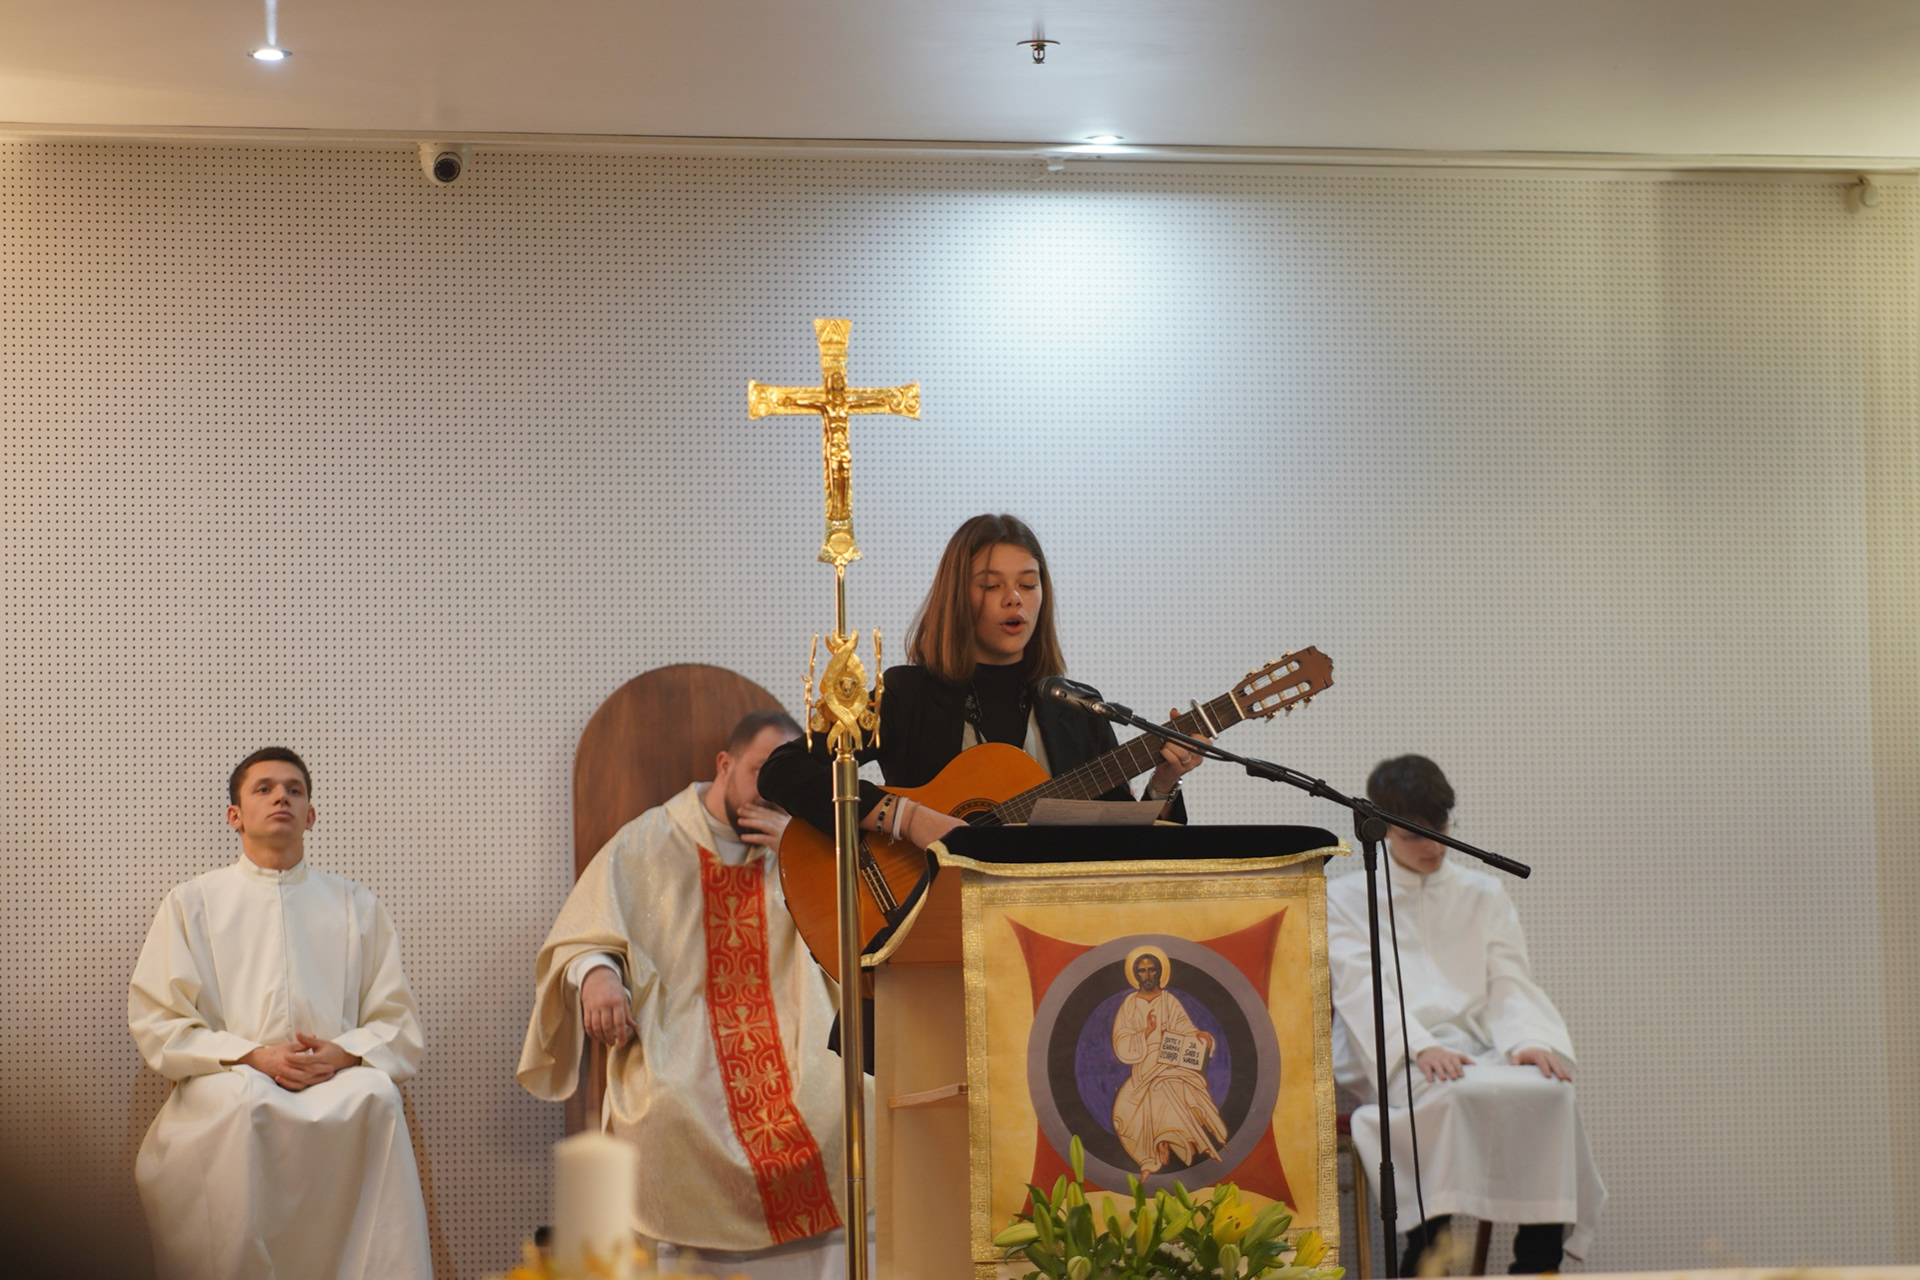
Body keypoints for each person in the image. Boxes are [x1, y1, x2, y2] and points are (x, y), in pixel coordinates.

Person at [517, 710, 864, 1280]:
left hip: (797, 1038)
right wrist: (598, 975)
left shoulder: (803, 841)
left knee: (847, 1097)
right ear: (725, 764)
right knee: (666, 1111)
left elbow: (861, 929)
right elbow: (585, 931)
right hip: (683, 1038)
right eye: (761, 772)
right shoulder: (650, 841)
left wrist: (804, 852)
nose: (772, 791)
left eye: (786, 776)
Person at [128, 747, 432, 1280]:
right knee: (242, 1106)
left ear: (311, 815)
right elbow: (161, 1021)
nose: (281, 798)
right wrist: (252, 1055)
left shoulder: (355, 905)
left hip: (334, 1078)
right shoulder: (192, 903)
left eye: (294, 790)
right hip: (231, 1077)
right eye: (264, 788)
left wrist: (343, 1053)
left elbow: (396, 1021)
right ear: (235, 815)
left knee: (377, 1095)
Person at [758, 512, 1206, 858]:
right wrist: (906, 818)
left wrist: (1164, 782)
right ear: (957, 596)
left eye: (1028, 584)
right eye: (992, 586)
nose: (1014, 598)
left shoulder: (1078, 707)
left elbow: (1125, 850)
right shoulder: (906, 695)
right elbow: (783, 769)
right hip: (931, 914)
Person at [1327, 755, 1605, 1276]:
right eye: (1414, 836)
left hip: (1481, 1049)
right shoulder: (1347, 898)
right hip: (1396, 1052)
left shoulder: (1483, 893)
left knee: (1551, 1094)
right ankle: (1427, 1252)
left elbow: (1508, 979)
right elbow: (1360, 987)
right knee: (1443, 1097)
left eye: (1441, 830)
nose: (1433, 848)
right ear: (1382, 828)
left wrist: (1527, 1040)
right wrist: (1418, 1045)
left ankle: (1537, 1262)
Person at [1110, 947, 1228, 1175]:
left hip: (1170, 1062)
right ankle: (1157, 1146)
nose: (1147, 975)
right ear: (1135, 974)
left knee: (1163, 1086)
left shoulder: (1169, 1001)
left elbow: (1185, 1028)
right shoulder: (1129, 1004)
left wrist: (1198, 1035)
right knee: (1122, 1113)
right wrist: (1146, 1032)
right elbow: (1121, 1040)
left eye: (1152, 970)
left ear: (1159, 972)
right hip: (1143, 1066)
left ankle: (1163, 1140)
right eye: (1142, 971)